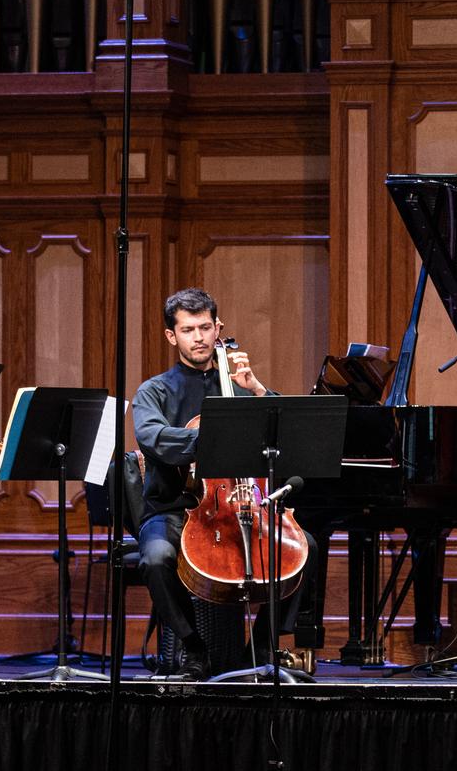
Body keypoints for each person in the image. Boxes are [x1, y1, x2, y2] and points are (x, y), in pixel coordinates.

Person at [132, 287, 318, 679]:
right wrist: (215, 437)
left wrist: (256, 391)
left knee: (306, 550)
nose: (198, 337)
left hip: (240, 506)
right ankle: (192, 647)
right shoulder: (155, 391)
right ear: (172, 336)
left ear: (218, 329)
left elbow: (284, 434)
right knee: (155, 557)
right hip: (176, 509)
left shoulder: (237, 385)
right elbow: (153, 438)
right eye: (188, 330)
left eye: (204, 327)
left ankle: (263, 646)